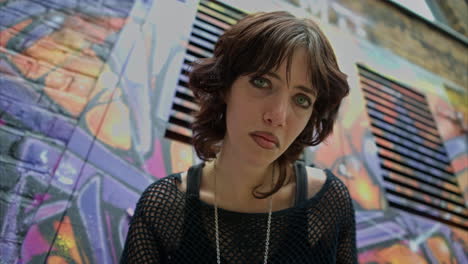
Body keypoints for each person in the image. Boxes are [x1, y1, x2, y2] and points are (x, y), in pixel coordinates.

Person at [120, 10, 357, 263]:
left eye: (301, 99)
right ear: (225, 87)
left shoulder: (326, 203)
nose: (277, 116)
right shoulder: (164, 208)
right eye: (262, 82)